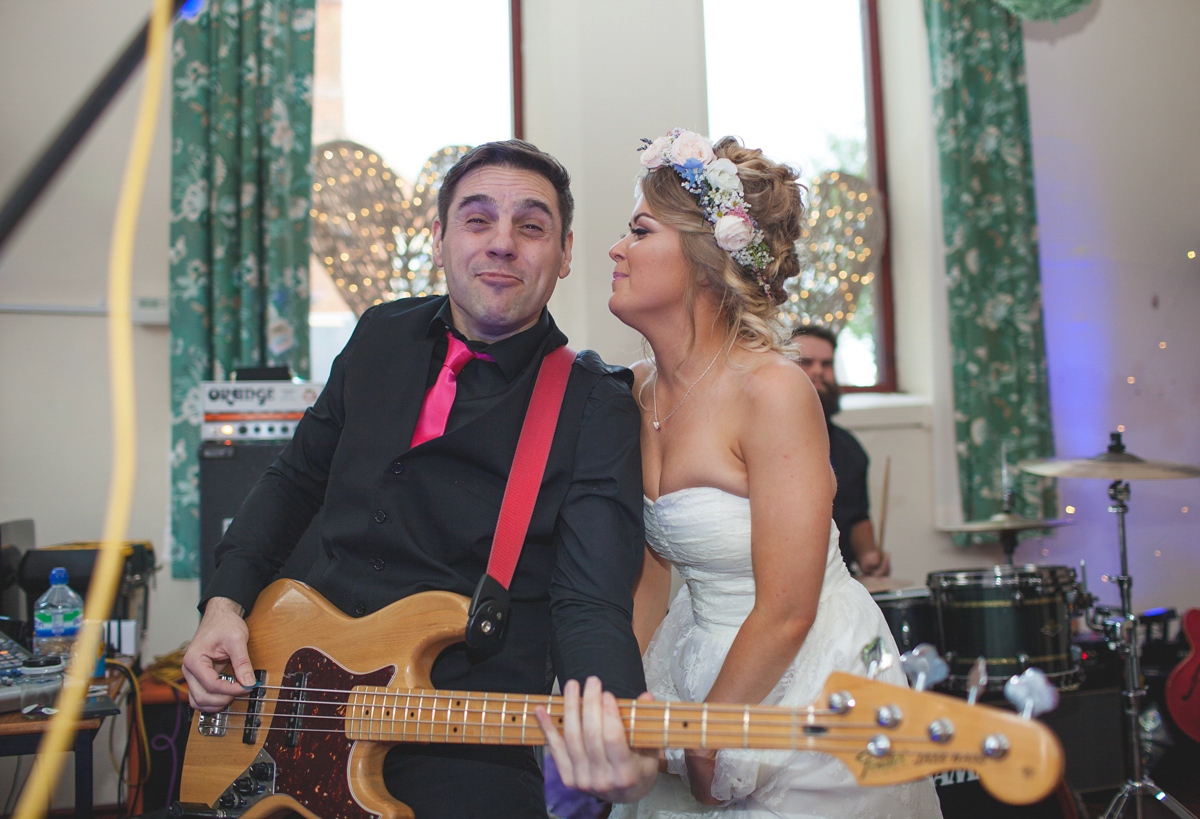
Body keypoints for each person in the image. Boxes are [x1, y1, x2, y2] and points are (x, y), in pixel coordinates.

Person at [181, 139, 658, 818]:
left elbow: (591, 597)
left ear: (565, 252)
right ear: (438, 238)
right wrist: (224, 602)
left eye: (530, 225)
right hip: (290, 707)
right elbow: (293, 481)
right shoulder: (379, 334)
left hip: (462, 745)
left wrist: (614, 718)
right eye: (476, 219)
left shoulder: (593, 402)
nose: (502, 243)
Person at [544, 129, 941, 817]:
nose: (616, 247)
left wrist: (708, 736)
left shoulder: (774, 391)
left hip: (803, 674)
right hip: (690, 663)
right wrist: (624, 700)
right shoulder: (630, 393)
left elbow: (789, 608)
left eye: (639, 230)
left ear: (704, 259)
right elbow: (649, 579)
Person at [790, 324, 890, 577]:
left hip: (837, 582)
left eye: (826, 364)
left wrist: (869, 557)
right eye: (806, 362)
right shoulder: (760, 437)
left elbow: (857, 517)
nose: (818, 372)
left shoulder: (850, 449)